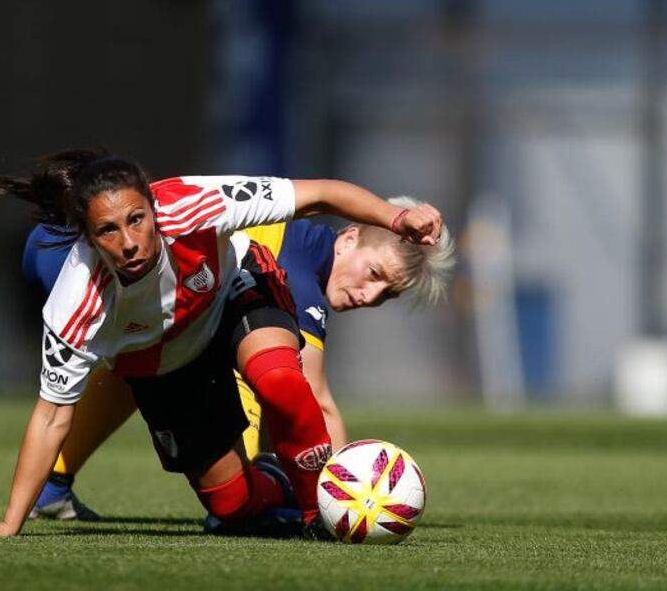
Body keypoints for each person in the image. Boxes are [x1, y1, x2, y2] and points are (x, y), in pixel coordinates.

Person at [0, 148, 443, 538]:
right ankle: (281, 489)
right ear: (89, 237)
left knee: (278, 378)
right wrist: (7, 524)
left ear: (154, 206)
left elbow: (323, 192)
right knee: (232, 505)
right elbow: (50, 416)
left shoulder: (194, 203)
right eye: (108, 230)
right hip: (169, 359)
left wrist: (396, 220)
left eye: (138, 220)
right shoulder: (76, 303)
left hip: (235, 293)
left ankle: (319, 511)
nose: (129, 242)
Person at [24, 202, 455, 522]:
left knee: (141, 359)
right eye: (375, 275)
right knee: (245, 480)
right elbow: (313, 400)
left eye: (389, 295)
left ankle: (52, 484)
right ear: (349, 238)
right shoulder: (299, 274)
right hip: (76, 253)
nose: (369, 297)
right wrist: (342, 497)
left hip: (53, 238)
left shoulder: (298, 247)